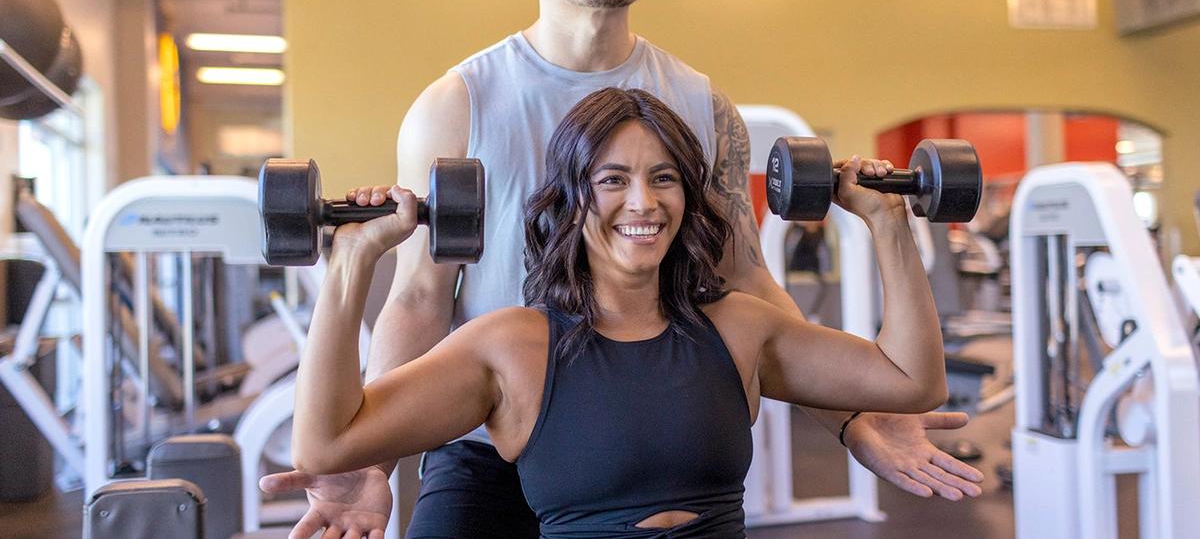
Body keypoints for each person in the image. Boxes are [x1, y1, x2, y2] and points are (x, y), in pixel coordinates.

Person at [261, 0, 984, 538]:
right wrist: (372, 453)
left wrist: (856, 413)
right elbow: (421, 297)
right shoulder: (458, 104)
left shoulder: (701, 104)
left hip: (643, 431)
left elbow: (746, 279)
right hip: (489, 430)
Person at [291, 87, 949, 538]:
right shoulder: (511, 347)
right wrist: (350, 263)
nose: (643, 203)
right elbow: (327, 443)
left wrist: (888, 222)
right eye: (613, 180)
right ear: (572, 199)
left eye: (664, 178)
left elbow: (912, 382)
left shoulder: (738, 327)